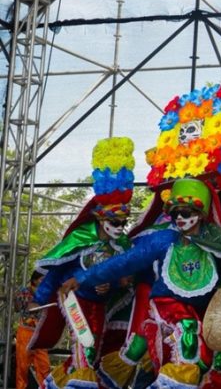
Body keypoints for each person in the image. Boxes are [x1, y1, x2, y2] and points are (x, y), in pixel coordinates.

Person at [60, 178, 221, 389]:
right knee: (187, 330)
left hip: (202, 309)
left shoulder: (215, 237)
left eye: (185, 213)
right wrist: (82, 278)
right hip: (166, 302)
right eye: (175, 213)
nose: (179, 218)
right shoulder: (163, 239)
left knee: (204, 362)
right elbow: (123, 262)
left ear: (200, 213)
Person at [30, 137, 137, 389]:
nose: (121, 228)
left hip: (99, 305)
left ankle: (52, 385)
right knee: (85, 347)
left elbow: (123, 280)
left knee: (93, 351)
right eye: (116, 222)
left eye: (124, 222)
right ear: (101, 219)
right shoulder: (81, 238)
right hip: (73, 299)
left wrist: (115, 285)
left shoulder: (121, 246)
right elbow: (57, 271)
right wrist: (41, 296)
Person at [15, 271, 50, 388]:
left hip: (41, 333)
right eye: (42, 279)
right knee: (23, 366)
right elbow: (26, 307)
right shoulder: (25, 291)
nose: (44, 281)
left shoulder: (47, 292)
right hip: (26, 332)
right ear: (35, 280)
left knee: (44, 366)